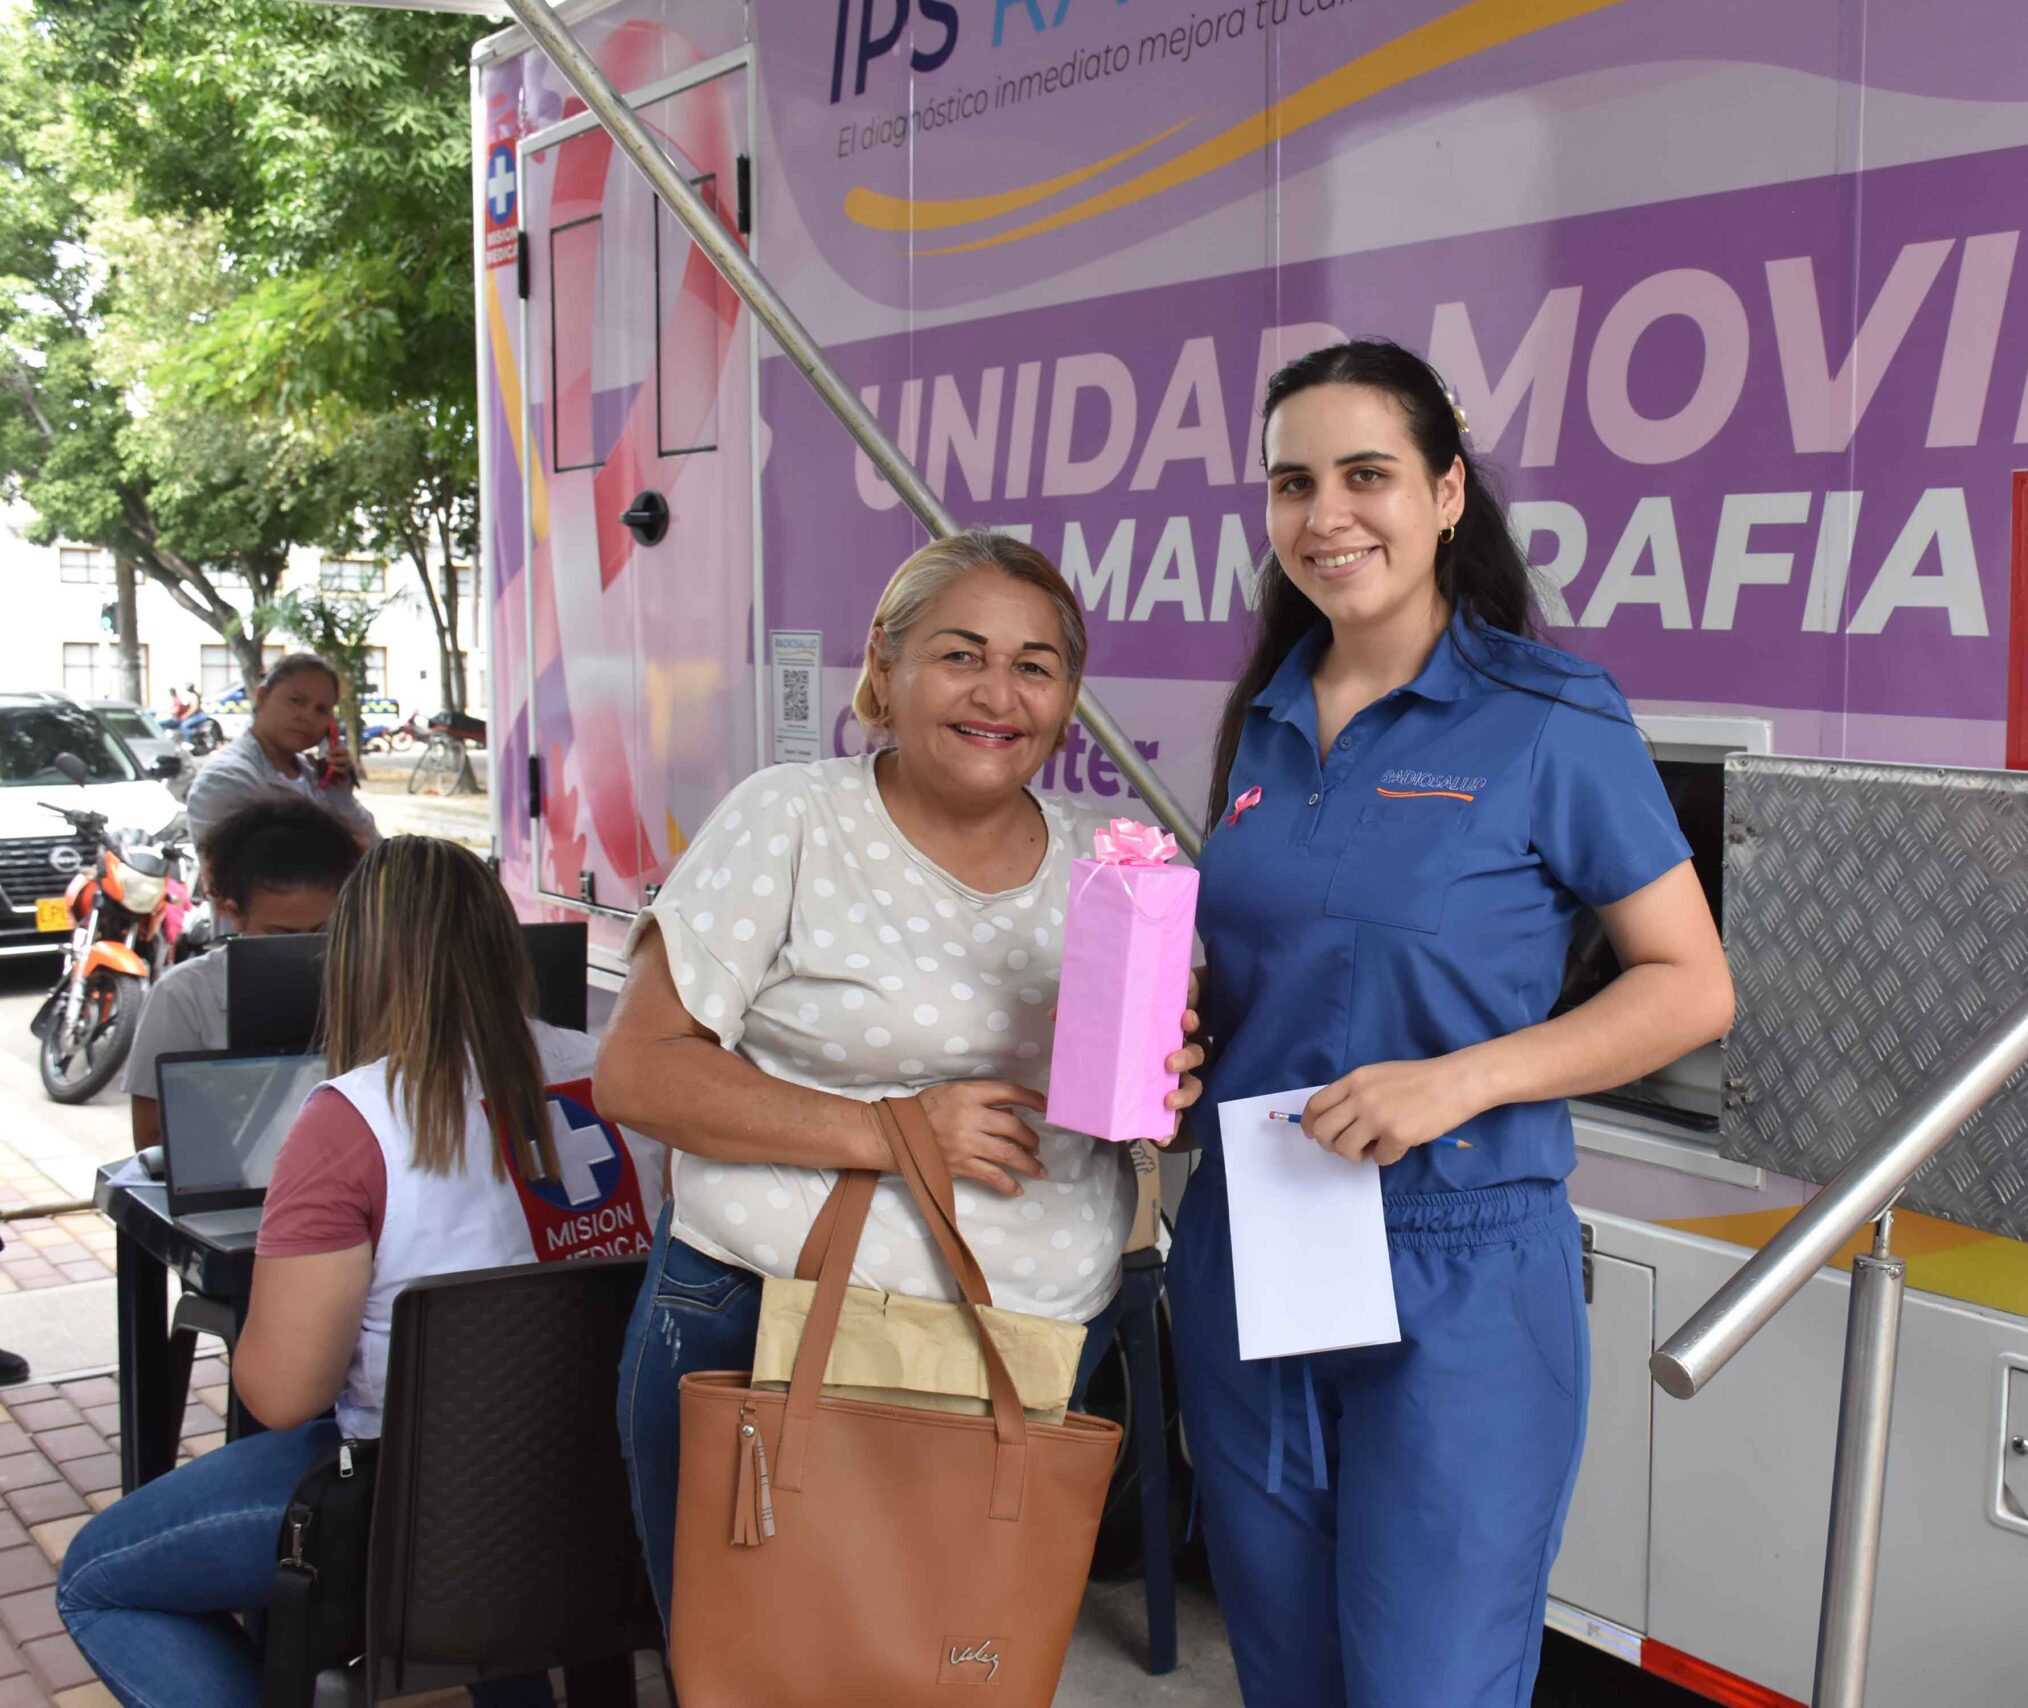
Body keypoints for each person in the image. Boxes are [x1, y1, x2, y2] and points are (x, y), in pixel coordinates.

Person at [1175, 339, 1737, 1708]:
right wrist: (1178, 1044)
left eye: (1367, 474)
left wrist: (1459, 1082)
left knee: (1430, 1684)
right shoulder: (1261, 719)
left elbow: (1688, 983)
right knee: (1287, 1679)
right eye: (1293, 482)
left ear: (1445, 494)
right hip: (1256, 1247)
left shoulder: (1549, 717)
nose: (1327, 515)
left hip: (1461, 1270)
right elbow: (1277, 975)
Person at [595, 528, 1206, 1623]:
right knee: (766, 1673)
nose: (997, 694)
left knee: (959, 1670)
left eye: (1035, 664)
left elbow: (1139, 1105)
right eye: (960, 654)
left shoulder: (1112, 862)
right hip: (777, 1323)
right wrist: (896, 1130)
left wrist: (1167, 1078)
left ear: (1068, 695)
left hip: (1036, 1346)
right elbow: (640, 1074)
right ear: (885, 665)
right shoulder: (792, 819)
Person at [56, 836, 660, 1708]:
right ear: (504, 944)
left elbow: (282, 1395)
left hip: (409, 1511)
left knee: (95, 1581)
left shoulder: (351, 1123)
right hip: (603, 1483)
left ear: (354, 961)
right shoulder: (623, 1077)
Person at [124, 797, 363, 1152]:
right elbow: (153, 1139)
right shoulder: (184, 994)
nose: (309, 948)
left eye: (324, 930)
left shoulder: (374, 982)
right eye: (283, 934)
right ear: (233, 913)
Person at [183, 653, 376, 855]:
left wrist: (340, 796)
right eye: (296, 701)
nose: (308, 716)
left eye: (321, 709)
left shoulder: (313, 775)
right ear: (262, 698)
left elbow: (377, 851)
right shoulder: (226, 779)